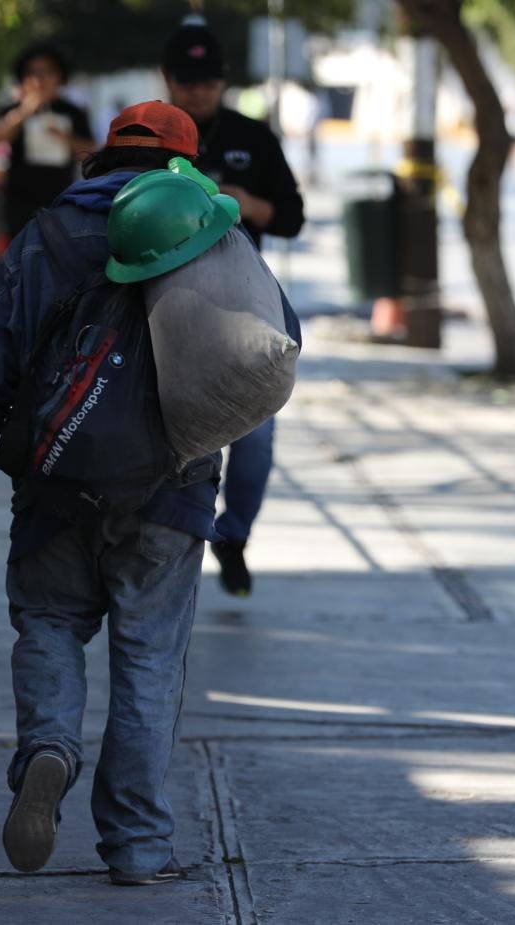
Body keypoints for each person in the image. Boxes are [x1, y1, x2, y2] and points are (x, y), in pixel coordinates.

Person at [0, 102, 259, 886]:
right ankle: (140, 845)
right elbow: (261, 349)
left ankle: (49, 747)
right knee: (149, 658)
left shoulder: (41, 238)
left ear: (103, 155)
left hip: (56, 481)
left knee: (47, 623)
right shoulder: (210, 235)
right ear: (182, 164)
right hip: (168, 488)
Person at [162, 18, 305, 597]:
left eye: (210, 82)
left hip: (243, 308)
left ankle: (234, 535)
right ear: (168, 80)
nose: (199, 93)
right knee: (169, 438)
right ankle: (170, 545)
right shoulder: (148, 135)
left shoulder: (253, 137)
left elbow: (294, 217)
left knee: (255, 439)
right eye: (188, 82)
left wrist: (251, 205)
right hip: (165, 306)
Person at [0, 40, 96, 237]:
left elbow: (91, 151)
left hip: (59, 199)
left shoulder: (73, 112)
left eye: (47, 72)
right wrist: (24, 111)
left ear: (59, 76)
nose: (40, 79)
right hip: (19, 201)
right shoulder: (14, 109)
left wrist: (64, 138)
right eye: (33, 73)